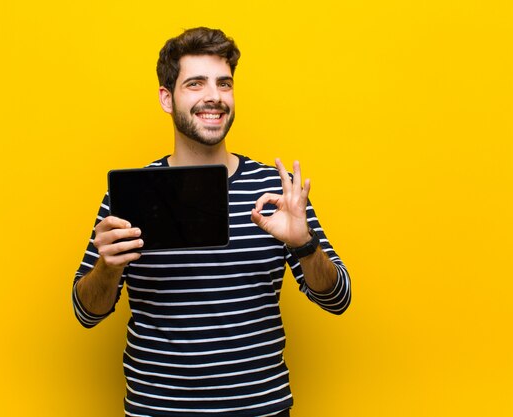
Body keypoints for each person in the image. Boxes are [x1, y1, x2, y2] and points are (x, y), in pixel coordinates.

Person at [72, 27, 351, 417]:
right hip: (158, 409)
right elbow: (87, 313)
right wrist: (108, 266)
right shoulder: (132, 196)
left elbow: (338, 298)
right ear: (167, 99)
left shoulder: (275, 190)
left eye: (224, 83)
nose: (214, 97)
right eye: (196, 83)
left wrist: (303, 245)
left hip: (260, 408)